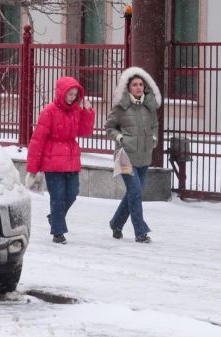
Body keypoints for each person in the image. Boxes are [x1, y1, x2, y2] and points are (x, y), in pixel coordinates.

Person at [26, 77, 95, 244]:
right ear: (61, 93)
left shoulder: (76, 111)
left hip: (71, 158)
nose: (72, 97)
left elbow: (84, 132)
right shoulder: (49, 111)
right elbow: (37, 140)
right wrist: (32, 169)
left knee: (72, 193)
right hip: (52, 161)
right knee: (57, 197)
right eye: (70, 94)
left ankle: (54, 217)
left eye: (75, 94)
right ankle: (58, 232)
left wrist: (88, 112)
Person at [105, 67, 161, 243]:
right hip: (124, 156)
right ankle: (140, 232)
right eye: (135, 85)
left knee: (133, 193)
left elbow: (155, 126)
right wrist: (120, 137)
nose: (138, 87)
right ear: (128, 87)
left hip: (144, 156)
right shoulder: (121, 107)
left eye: (141, 85)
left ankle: (116, 223)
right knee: (135, 192)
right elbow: (109, 127)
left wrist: (154, 138)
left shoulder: (149, 107)